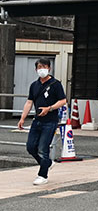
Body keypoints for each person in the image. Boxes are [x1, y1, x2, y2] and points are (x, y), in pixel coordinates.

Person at [18, 58, 67, 186]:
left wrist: (49, 108)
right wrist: (23, 118)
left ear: (49, 68)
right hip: (37, 120)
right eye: (39, 67)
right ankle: (47, 164)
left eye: (44, 67)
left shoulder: (56, 84)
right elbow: (29, 102)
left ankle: (42, 175)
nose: (42, 69)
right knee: (30, 147)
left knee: (43, 148)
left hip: (50, 121)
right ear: (36, 69)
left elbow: (63, 101)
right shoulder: (34, 85)